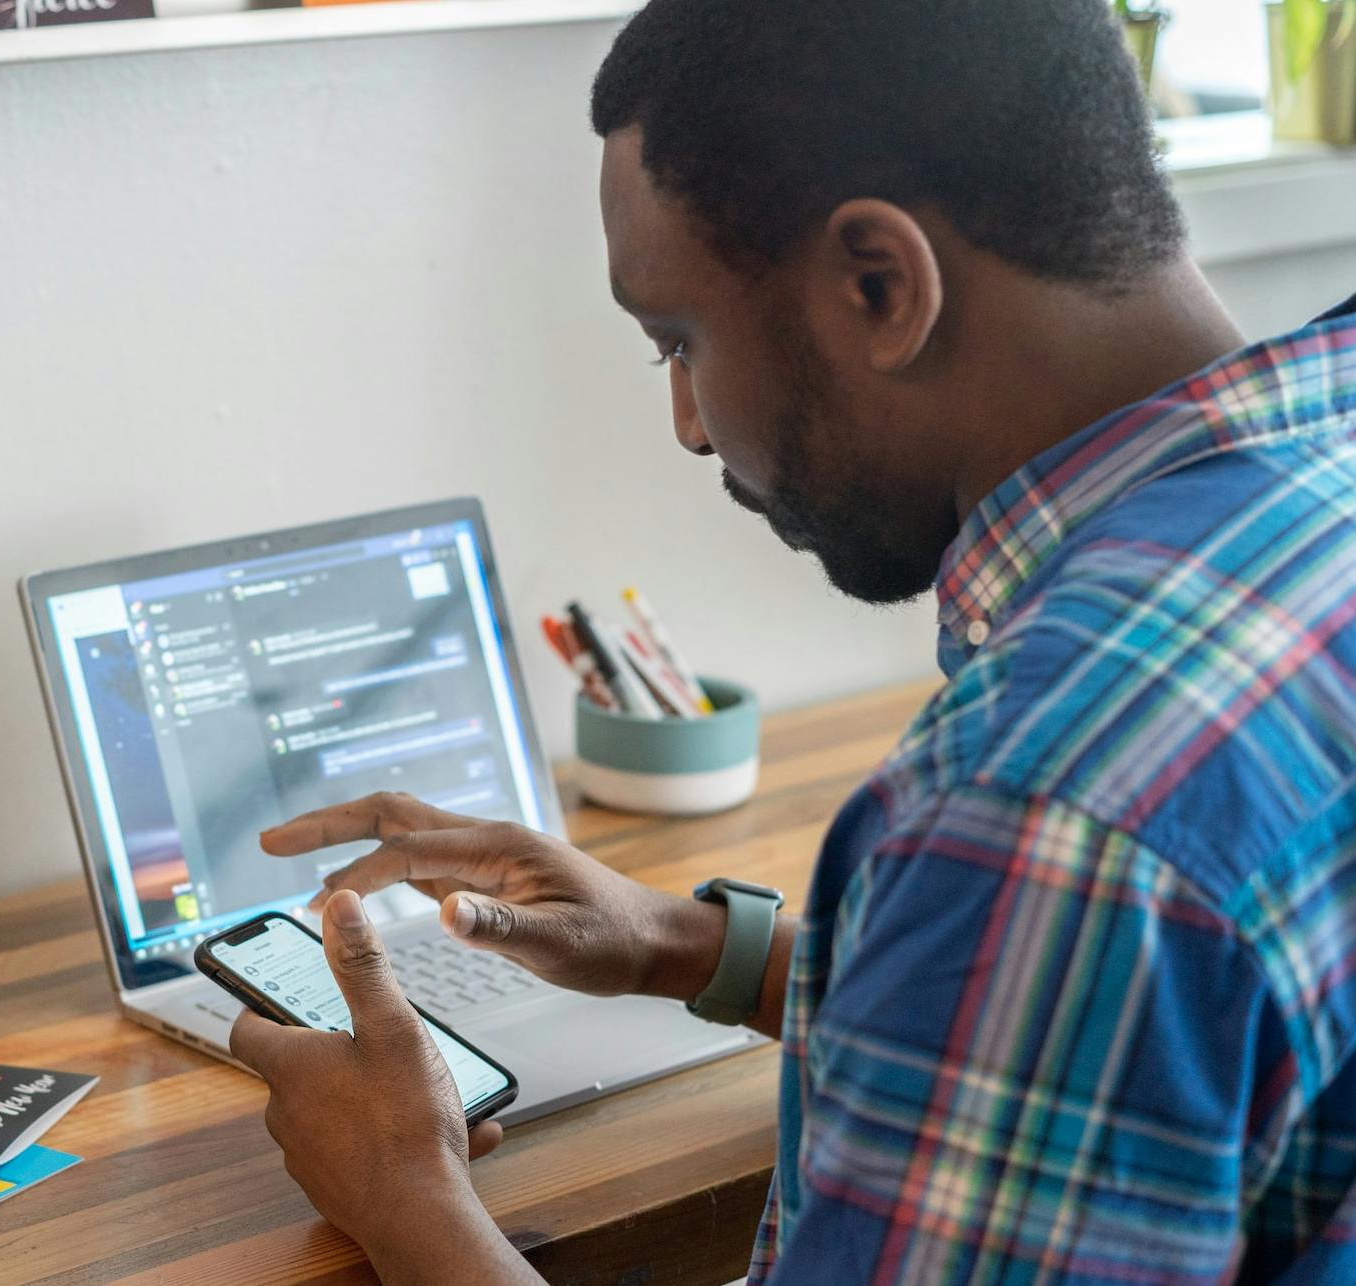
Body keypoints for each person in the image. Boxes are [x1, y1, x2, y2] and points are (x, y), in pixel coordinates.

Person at [229, 0, 1356, 1280]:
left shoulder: (1034, 809)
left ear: (879, 285)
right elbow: (1163, 1040)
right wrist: (692, 947)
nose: (689, 429)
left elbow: (1068, 895)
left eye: (678, 342)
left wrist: (409, 1197)